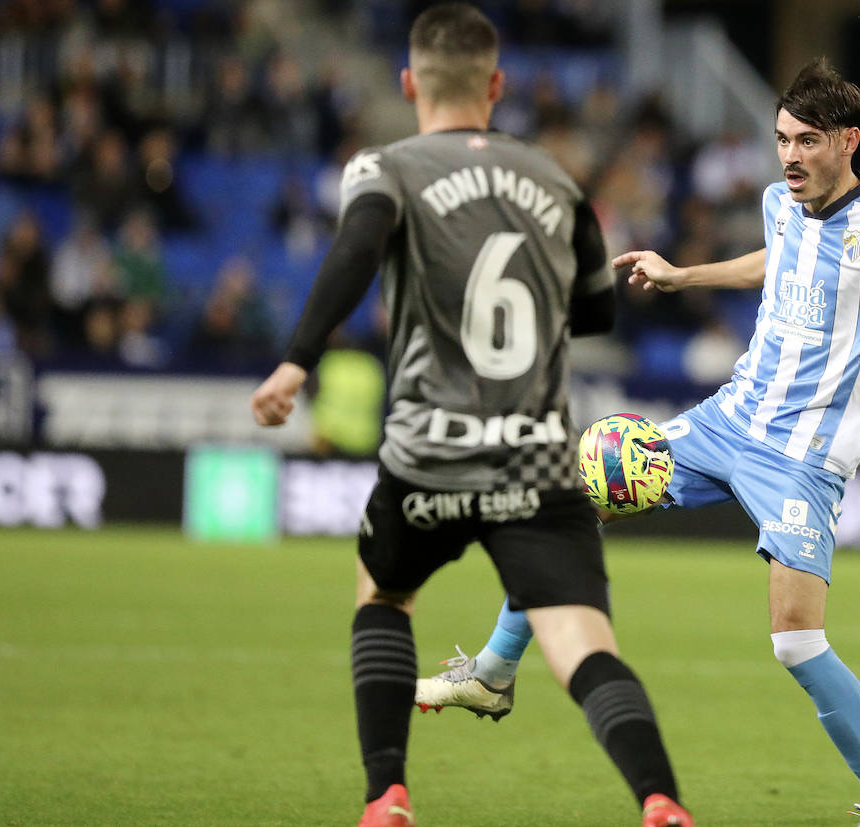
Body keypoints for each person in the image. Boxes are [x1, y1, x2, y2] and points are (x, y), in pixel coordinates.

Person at [417, 57, 860, 827]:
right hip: (729, 420)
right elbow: (776, 263)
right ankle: (492, 671)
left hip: (803, 458)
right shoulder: (780, 203)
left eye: (807, 141)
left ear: (847, 141)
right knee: (569, 503)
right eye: (782, 138)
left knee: (796, 641)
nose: (789, 155)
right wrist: (684, 276)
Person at [248, 6, 695, 827]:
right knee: (583, 645)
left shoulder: (385, 167)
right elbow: (596, 315)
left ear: (411, 82)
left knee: (384, 598)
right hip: (535, 457)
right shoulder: (557, 180)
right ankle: (660, 798)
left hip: (429, 453)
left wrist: (296, 359)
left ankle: (387, 793)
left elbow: (356, 248)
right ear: (496, 86)